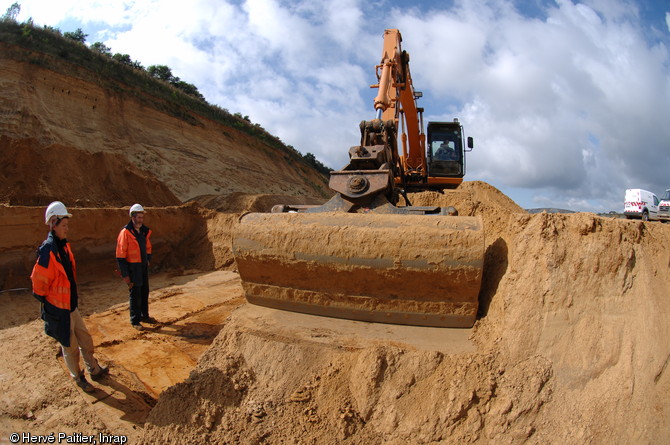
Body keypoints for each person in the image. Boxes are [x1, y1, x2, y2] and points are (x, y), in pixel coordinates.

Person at [30, 201, 108, 393]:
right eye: (64, 225)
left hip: (71, 306)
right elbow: (38, 284)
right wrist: (51, 306)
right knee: (70, 347)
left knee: (85, 339)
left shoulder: (63, 246)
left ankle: (94, 369)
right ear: (53, 223)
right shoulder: (48, 251)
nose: (67, 229)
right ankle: (78, 377)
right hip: (59, 310)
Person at [116, 203, 156, 330]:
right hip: (133, 269)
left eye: (141, 217)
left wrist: (148, 259)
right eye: (138, 217)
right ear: (132, 217)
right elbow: (120, 255)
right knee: (135, 294)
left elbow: (148, 247)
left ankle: (145, 315)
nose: (140, 220)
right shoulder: (125, 233)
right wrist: (125, 275)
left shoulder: (143, 232)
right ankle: (135, 320)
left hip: (142, 267)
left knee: (144, 292)